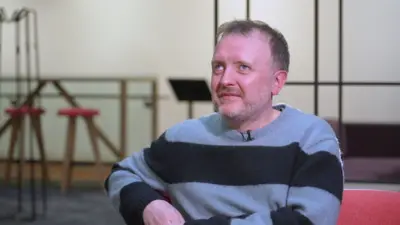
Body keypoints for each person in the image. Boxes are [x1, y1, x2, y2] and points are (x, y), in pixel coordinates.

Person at [104, 19, 344, 225]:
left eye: (243, 67)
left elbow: (309, 221)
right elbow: (122, 173)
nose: (225, 79)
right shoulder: (183, 138)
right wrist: (149, 205)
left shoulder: (311, 138)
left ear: (277, 82)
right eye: (218, 67)